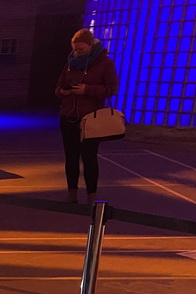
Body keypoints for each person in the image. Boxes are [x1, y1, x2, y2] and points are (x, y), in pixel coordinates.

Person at [55, 28, 118, 204]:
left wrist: (87, 90)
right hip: (68, 115)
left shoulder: (105, 64)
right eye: (75, 49)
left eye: (81, 49)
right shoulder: (70, 63)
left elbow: (112, 88)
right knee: (71, 156)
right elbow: (58, 85)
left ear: (91, 46)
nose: (77, 53)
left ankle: (92, 196)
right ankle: (72, 193)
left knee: (89, 157)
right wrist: (62, 91)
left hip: (91, 119)